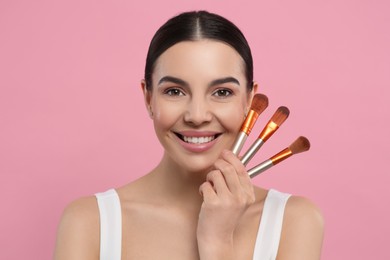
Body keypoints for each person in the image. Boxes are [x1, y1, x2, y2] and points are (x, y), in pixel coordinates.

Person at [54, 10, 324, 260]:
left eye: (222, 92)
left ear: (249, 100)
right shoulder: (90, 223)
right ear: (148, 98)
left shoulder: (293, 221)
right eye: (174, 91)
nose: (197, 115)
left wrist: (217, 242)